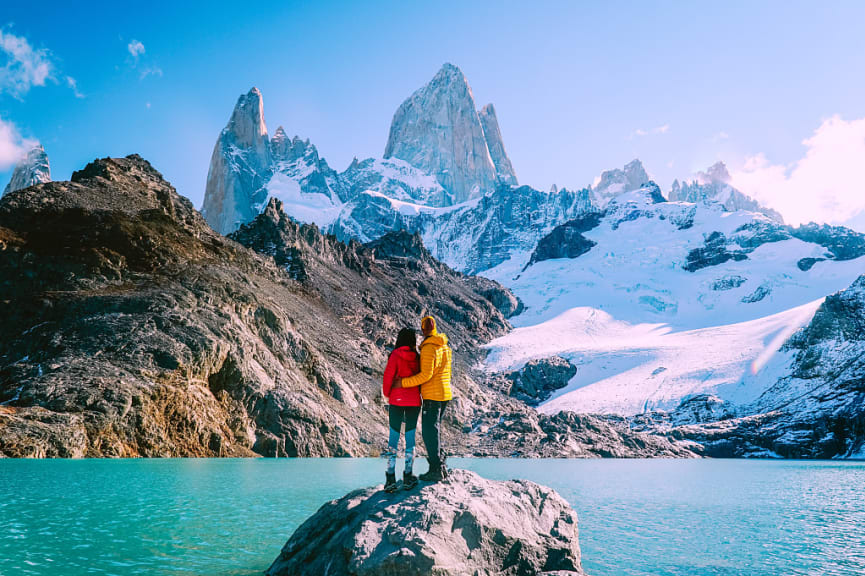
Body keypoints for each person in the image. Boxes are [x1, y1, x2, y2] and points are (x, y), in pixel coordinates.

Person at [392, 315, 452, 482]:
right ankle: (441, 466)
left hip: (432, 395)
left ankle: (435, 469)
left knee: (428, 432)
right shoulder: (444, 346)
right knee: (435, 430)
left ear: (424, 329)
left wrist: (402, 383)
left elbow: (425, 375)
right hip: (445, 393)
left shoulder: (428, 348)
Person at [381, 327, 422, 492]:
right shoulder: (418, 357)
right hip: (413, 401)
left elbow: (388, 377)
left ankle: (390, 478)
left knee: (394, 437)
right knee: (410, 439)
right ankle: (408, 475)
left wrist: (388, 394)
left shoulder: (395, 355)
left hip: (397, 400)